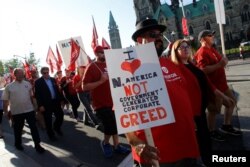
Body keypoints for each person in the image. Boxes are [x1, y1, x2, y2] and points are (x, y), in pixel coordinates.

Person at [126, 18, 200, 166]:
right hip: (159, 154)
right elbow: (124, 115)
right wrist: (136, 143)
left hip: (187, 146)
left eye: (160, 34)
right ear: (140, 40)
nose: (159, 38)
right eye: (153, 34)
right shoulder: (129, 71)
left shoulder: (170, 64)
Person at [82, 45, 130, 158]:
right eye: (102, 52)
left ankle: (117, 145)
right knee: (110, 127)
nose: (105, 54)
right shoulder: (92, 67)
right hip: (101, 103)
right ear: (97, 54)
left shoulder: (112, 64)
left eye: (107, 51)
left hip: (116, 101)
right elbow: (84, 87)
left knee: (116, 126)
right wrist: (101, 81)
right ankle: (106, 143)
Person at [194, 30, 242, 141]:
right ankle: (211, 131)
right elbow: (203, 70)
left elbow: (221, 61)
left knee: (232, 103)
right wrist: (220, 64)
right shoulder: (202, 52)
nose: (213, 36)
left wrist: (224, 61)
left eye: (212, 35)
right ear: (203, 39)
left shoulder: (212, 49)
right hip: (214, 87)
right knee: (214, 110)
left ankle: (226, 125)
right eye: (210, 35)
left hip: (222, 84)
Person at [1, 68, 45, 153]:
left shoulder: (28, 84)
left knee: (34, 128)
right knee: (18, 129)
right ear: (15, 75)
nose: (21, 75)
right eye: (19, 74)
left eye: (22, 74)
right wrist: (6, 111)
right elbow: (5, 100)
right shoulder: (9, 87)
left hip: (29, 110)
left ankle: (37, 145)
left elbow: (32, 97)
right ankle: (18, 144)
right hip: (17, 112)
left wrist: (35, 107)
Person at [35, 67, 64, 141]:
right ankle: (51, 135)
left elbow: (57, 90)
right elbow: (38, 95)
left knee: (60, 116)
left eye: (47, 72)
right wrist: (40, 105)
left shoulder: (53, 79)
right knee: (48, 120)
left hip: (55, 102)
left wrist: (61, 99)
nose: (46, 74)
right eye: (44, 73)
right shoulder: (38, 82)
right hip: (46, 104)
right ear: (42, 73)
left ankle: (56, 127)